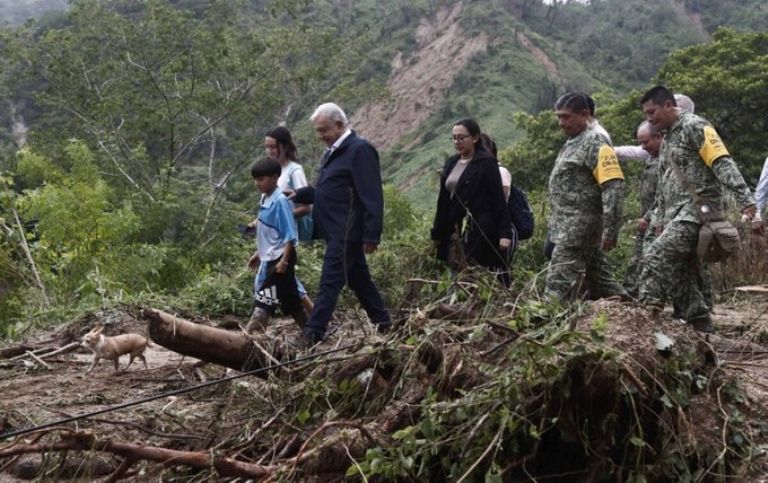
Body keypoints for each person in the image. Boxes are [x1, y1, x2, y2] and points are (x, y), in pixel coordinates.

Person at [638, 85, 756, 332]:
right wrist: (659, 219)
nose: (649, 119)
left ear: (668, 106)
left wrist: (746, 199)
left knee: (654, 257)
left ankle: (645, 321)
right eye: (646, 114)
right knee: (681, 273)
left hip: (697, 214)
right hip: (674, 215)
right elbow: (665, 183)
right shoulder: (668, 135)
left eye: (652, 112)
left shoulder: (695, 126)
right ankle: (700, 326)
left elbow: (721, 162)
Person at [297, 102, 391, 347]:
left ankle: (312, 334)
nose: (321, 137)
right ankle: (385, 324)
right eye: (318, 131)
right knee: (358, 280)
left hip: (348, 230)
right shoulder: (333, 152)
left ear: (339, 125)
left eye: (323, 130)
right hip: (335, 229)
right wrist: (299, 194)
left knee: (329, 281)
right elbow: (328, 192)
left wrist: (372, 235)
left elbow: (372, 195)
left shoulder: (360, 150)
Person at [546, 93, 627, 301]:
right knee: (601, 281)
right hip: (567, 226)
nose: (561, 123)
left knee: (558, 285)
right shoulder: (574, 140)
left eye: (566, 117)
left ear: (584, 114)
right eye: (559, 117)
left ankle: (549, 317)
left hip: (578, 230)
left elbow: (613, 186)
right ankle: (631, 312)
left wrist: (611, 229)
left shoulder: (596, 141)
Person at [431, 119, 512, 285]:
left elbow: (498, 199)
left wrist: (504, 233)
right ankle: (455, 307)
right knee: (454, 267)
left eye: (461, 138)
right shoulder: (452, 162)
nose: (457, 142)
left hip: (478, 226)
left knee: (474, 272)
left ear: (474, 138)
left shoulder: (486, 163)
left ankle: (475, 306)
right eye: (454, 138)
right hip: (453, 227)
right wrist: (437, 232)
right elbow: (443, 201)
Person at [245, 157, 307, 333]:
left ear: (274, 178)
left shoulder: (280, 201)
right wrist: (259, 253)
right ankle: (312, 333)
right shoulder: (265, 198)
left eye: (261, 179)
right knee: (291, 301)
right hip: (271, 255)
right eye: (255, 180)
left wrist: (284, 261)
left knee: (264, 300)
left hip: (281, 257)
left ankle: (251, 338)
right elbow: (269, 233)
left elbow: (290, 234)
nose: (257, 183)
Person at [263, 126, 314, 316]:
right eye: (267, 147)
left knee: (270, 273)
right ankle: (316, 318)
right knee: (286, 277)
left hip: (286, 234)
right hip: (274, 233)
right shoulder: (275, 170)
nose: (269, 151)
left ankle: (260, 314)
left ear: (284, 146)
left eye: (273, 147)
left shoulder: (294, 171)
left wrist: (281, 217)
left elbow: (306, 206)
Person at [618, 121, 663, 297]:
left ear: (659, 137)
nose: (643, 147)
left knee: (652, 259)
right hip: (647, 218)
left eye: (646, 142)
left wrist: (649, 216)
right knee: (637, 257)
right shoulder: (651, 156)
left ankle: (650, 298)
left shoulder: (668, 159)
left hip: (659, 218)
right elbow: (631, 152)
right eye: (641, 143)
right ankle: (630, 294)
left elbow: (665, 194)